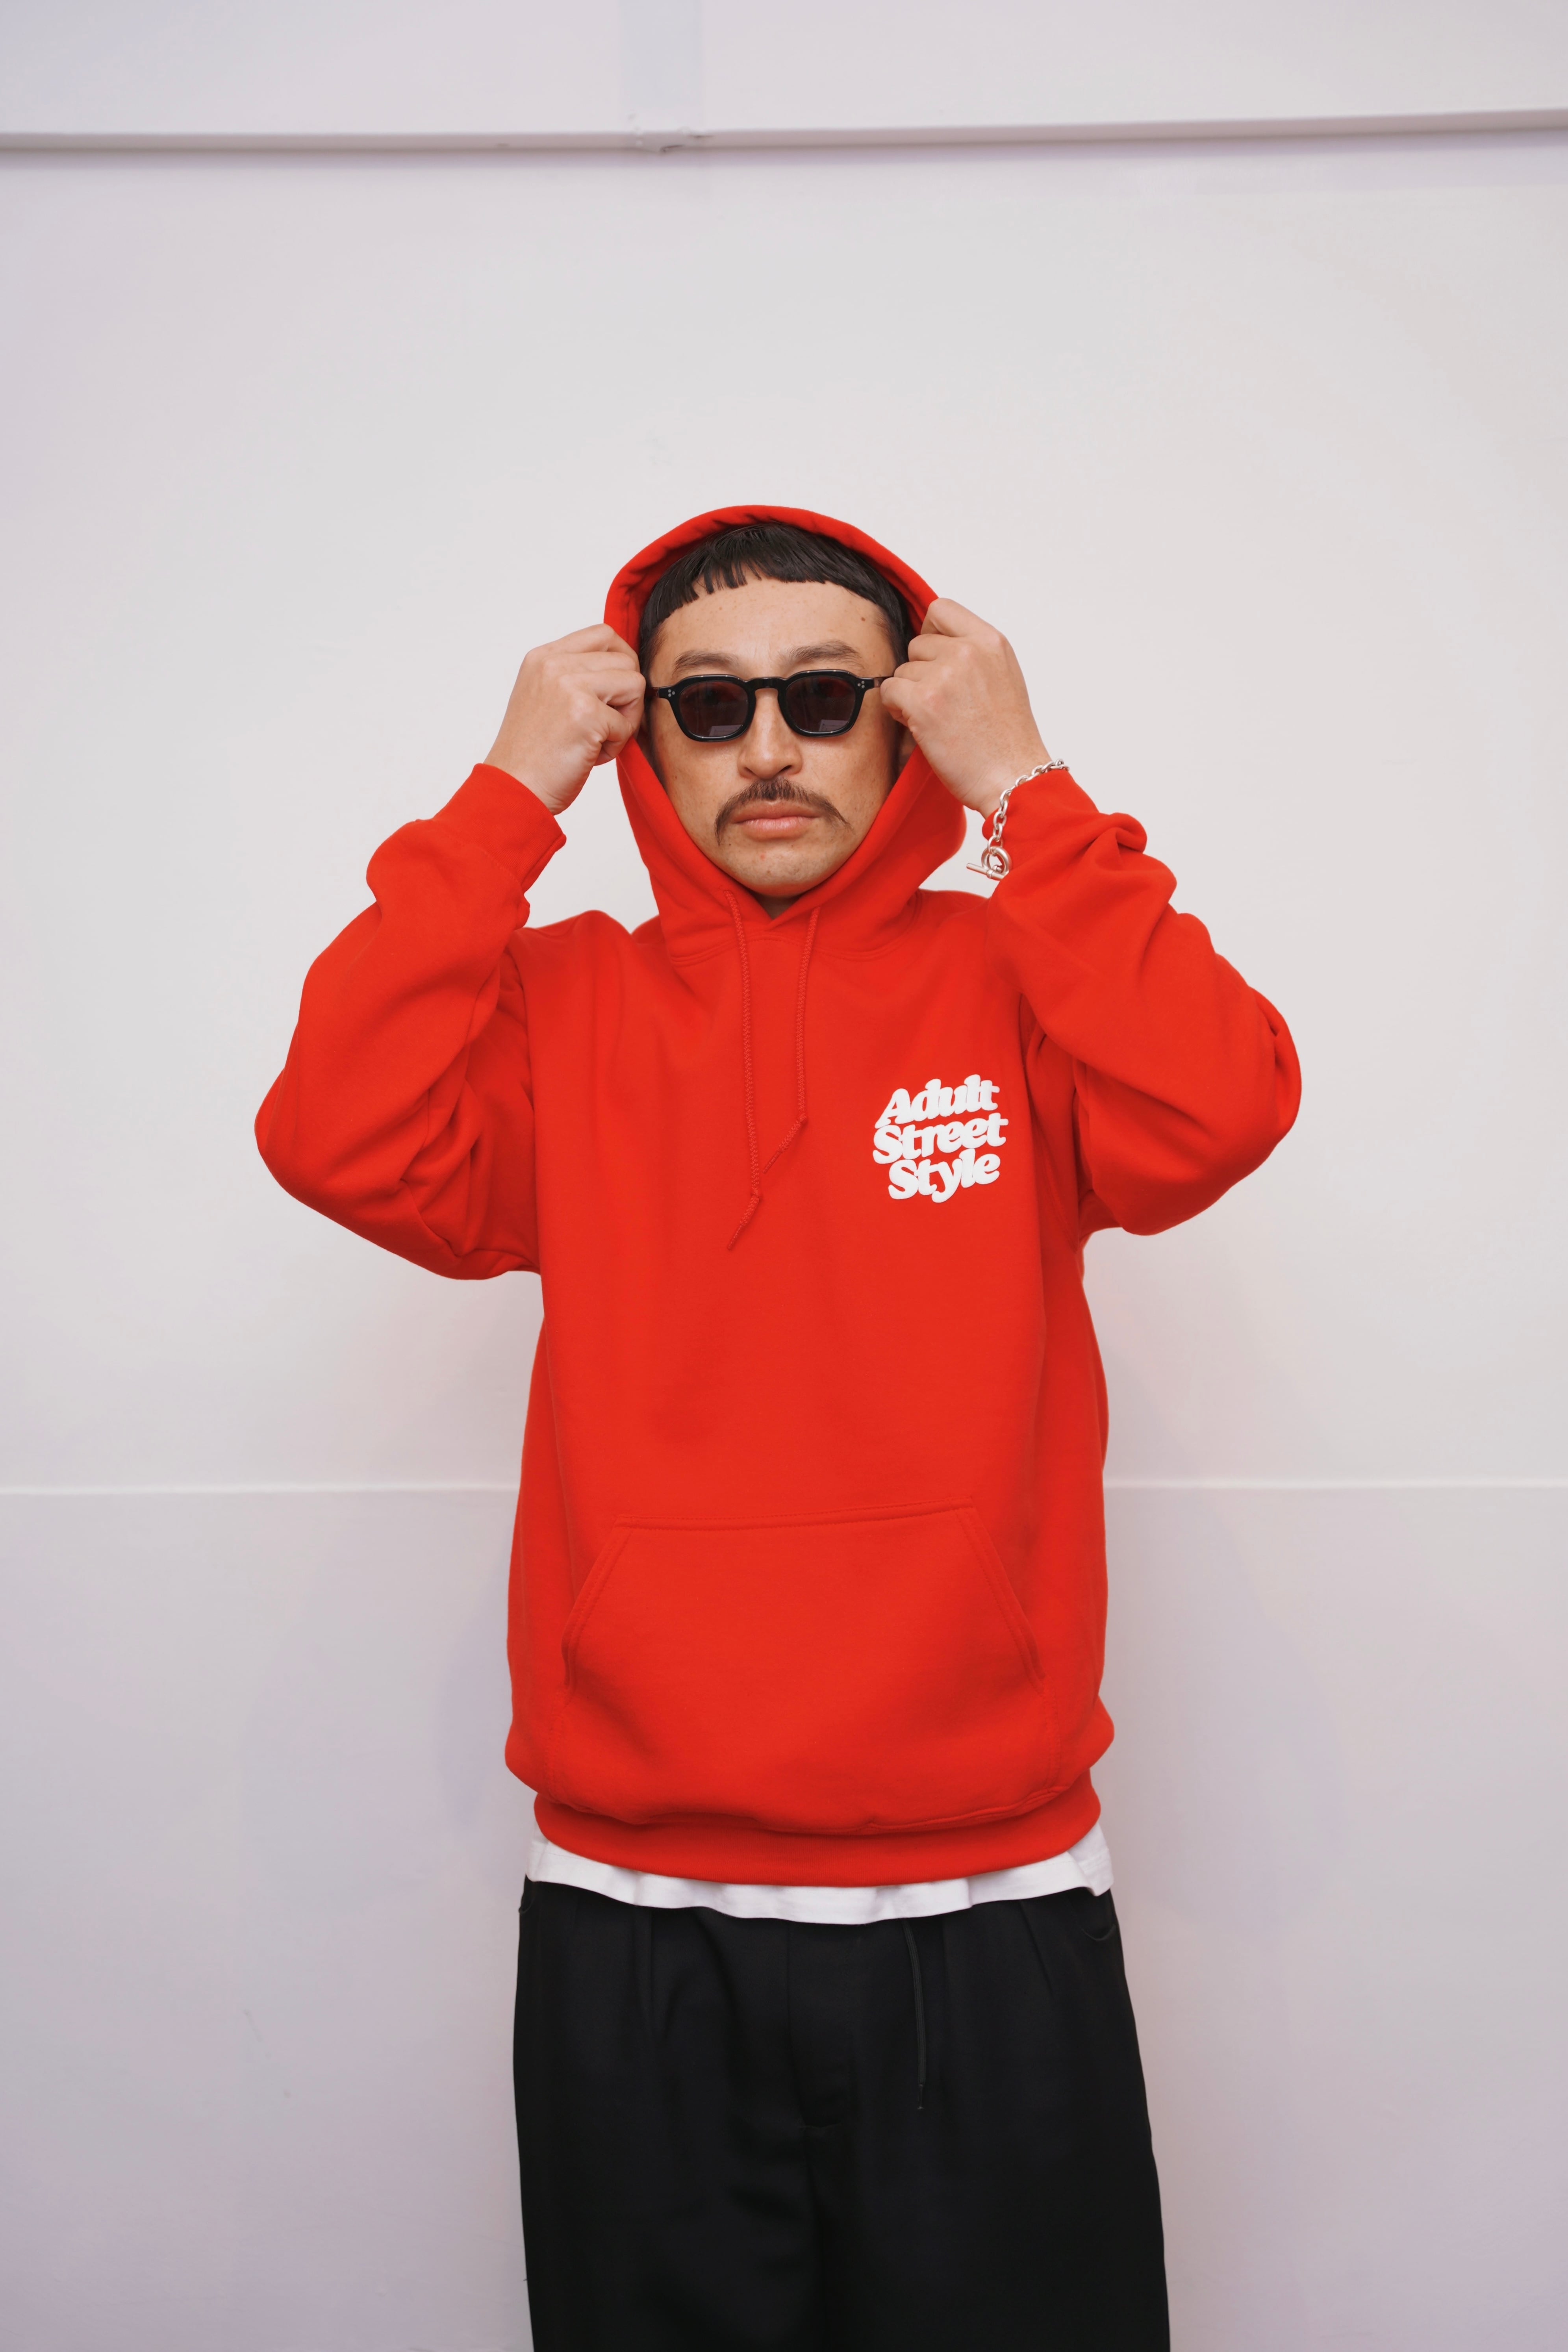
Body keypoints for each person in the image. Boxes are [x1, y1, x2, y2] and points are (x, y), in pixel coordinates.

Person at [257, 503, 1300, 2351]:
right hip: (634, 1913)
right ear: (637, 736)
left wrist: (1031, 790)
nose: (767, 747)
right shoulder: (563, 1005)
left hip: (989, 1894)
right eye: (709, 703)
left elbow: (1220, 1108)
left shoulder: (1021, 981)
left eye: (825, 698)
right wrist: (505, 797)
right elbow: (335, 1133)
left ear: (907, 721)